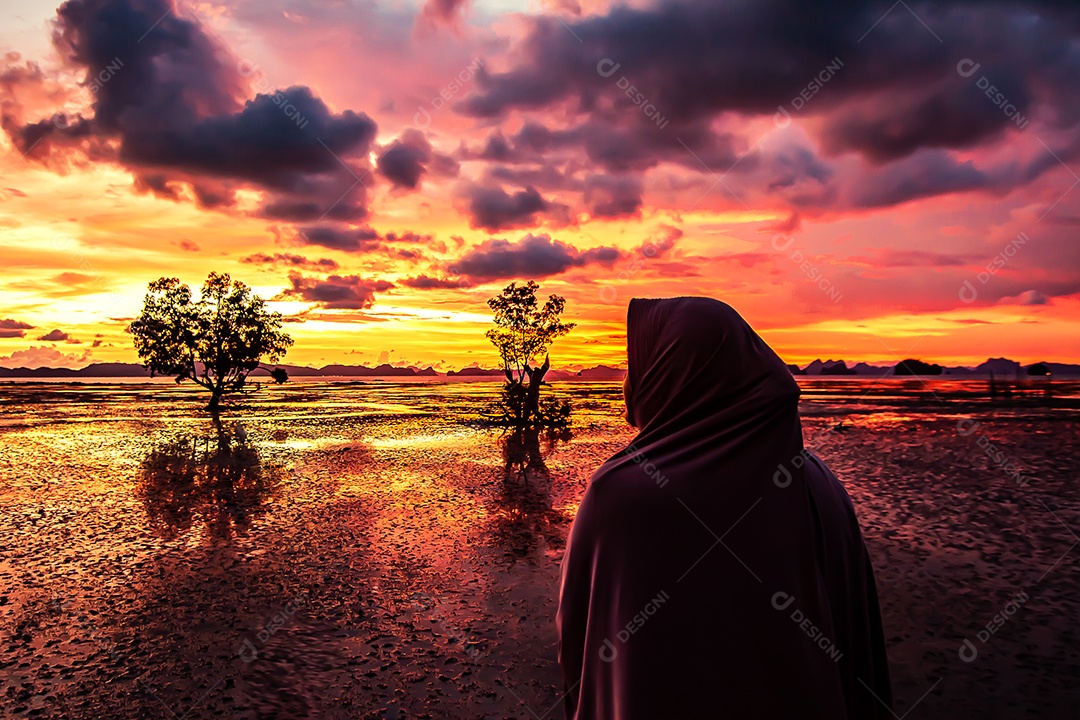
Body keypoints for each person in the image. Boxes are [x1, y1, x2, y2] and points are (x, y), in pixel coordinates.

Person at [557, 297, 891, 719]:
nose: (628, 382)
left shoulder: (622, 497)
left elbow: (579, 645)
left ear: (673, 373)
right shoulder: (818, 484)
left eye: (639, 366)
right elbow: (855, 638)